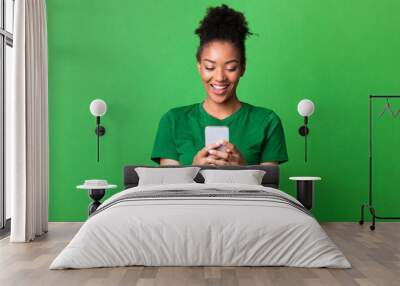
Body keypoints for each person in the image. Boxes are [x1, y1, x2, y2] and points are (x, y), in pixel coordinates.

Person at [151, 4, 288, 166]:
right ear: (199, 67)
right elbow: (169, 190)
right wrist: (193, 170)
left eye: (231, 68)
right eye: (210, 67)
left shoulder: (267, 121)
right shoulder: (173, 121)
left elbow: (270, 188)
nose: (220, 77)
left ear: (242, 68)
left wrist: (243, 170)